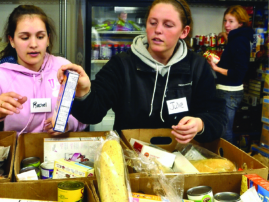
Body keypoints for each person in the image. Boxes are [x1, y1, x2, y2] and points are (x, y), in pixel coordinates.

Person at [58, 0, 227, 144]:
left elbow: (217, 116)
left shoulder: (197, 67)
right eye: (152, 23)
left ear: (184, 32)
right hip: (131, 160)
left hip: (181, 162)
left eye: (168, 25)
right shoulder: (122, 64)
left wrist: (200, 124)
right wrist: (84, 91)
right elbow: (92, 114)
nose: (158, 30)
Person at [0, 5, 86, 148]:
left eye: (40, 37)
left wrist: (68, 123)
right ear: (11, 40)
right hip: (18, 159)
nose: (34, 44)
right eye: (25, 37)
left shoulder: (64, 69)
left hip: (60, 156)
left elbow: (85, 117)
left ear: (48, 39)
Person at [207, 5, 254, 144]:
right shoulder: (237, 38)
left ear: (241, 23)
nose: (226, 25)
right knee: (223, 130)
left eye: (231, 21)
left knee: (225, 132)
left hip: (229, 92)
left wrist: (216, 68)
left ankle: (229, 163)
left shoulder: (239, 41)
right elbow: (234, 61)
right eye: (225, 21)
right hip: (229, 91)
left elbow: (238, 73)